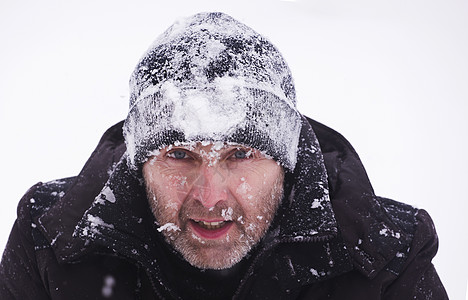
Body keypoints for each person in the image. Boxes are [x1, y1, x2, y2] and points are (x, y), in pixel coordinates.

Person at [0, 12, 448, 300]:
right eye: (178, 154)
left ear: (286, 161)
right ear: (138, 164)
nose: (211, 197)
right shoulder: (49, 240)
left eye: (241, 153)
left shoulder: (384, 255)